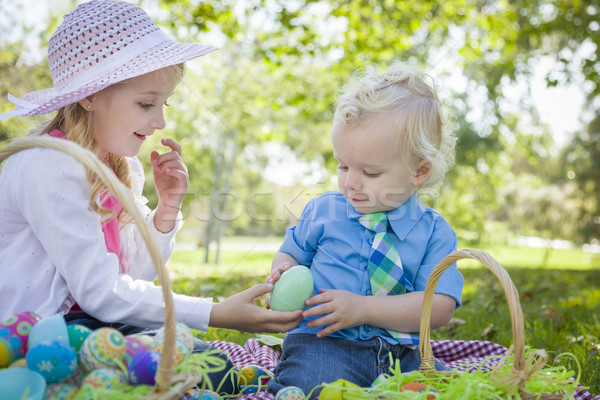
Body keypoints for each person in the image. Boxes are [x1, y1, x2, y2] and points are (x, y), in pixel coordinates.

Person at [0, 0, 302, 393]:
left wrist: (167, 209)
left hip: (94, 326)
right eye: (146, 104)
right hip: (41, 337)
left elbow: (131, 279)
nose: (160, 121)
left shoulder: (119, 166)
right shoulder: (47, 164)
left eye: (163, 104)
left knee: (214, 365)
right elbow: (101, 292)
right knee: (193, 367)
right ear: (89, 96)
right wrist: (215, 312)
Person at [266, 64, 464, 398]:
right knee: (314, 385)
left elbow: (440, 306)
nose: (349, 182)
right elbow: (290, 252)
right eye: (343, 165)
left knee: (452, 390)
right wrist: (282, 270)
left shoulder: (434, 233)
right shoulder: (323, 211)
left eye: (370, 172)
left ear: (420, 171)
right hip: (324, 344)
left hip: (402, 355)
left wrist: (364, 309)